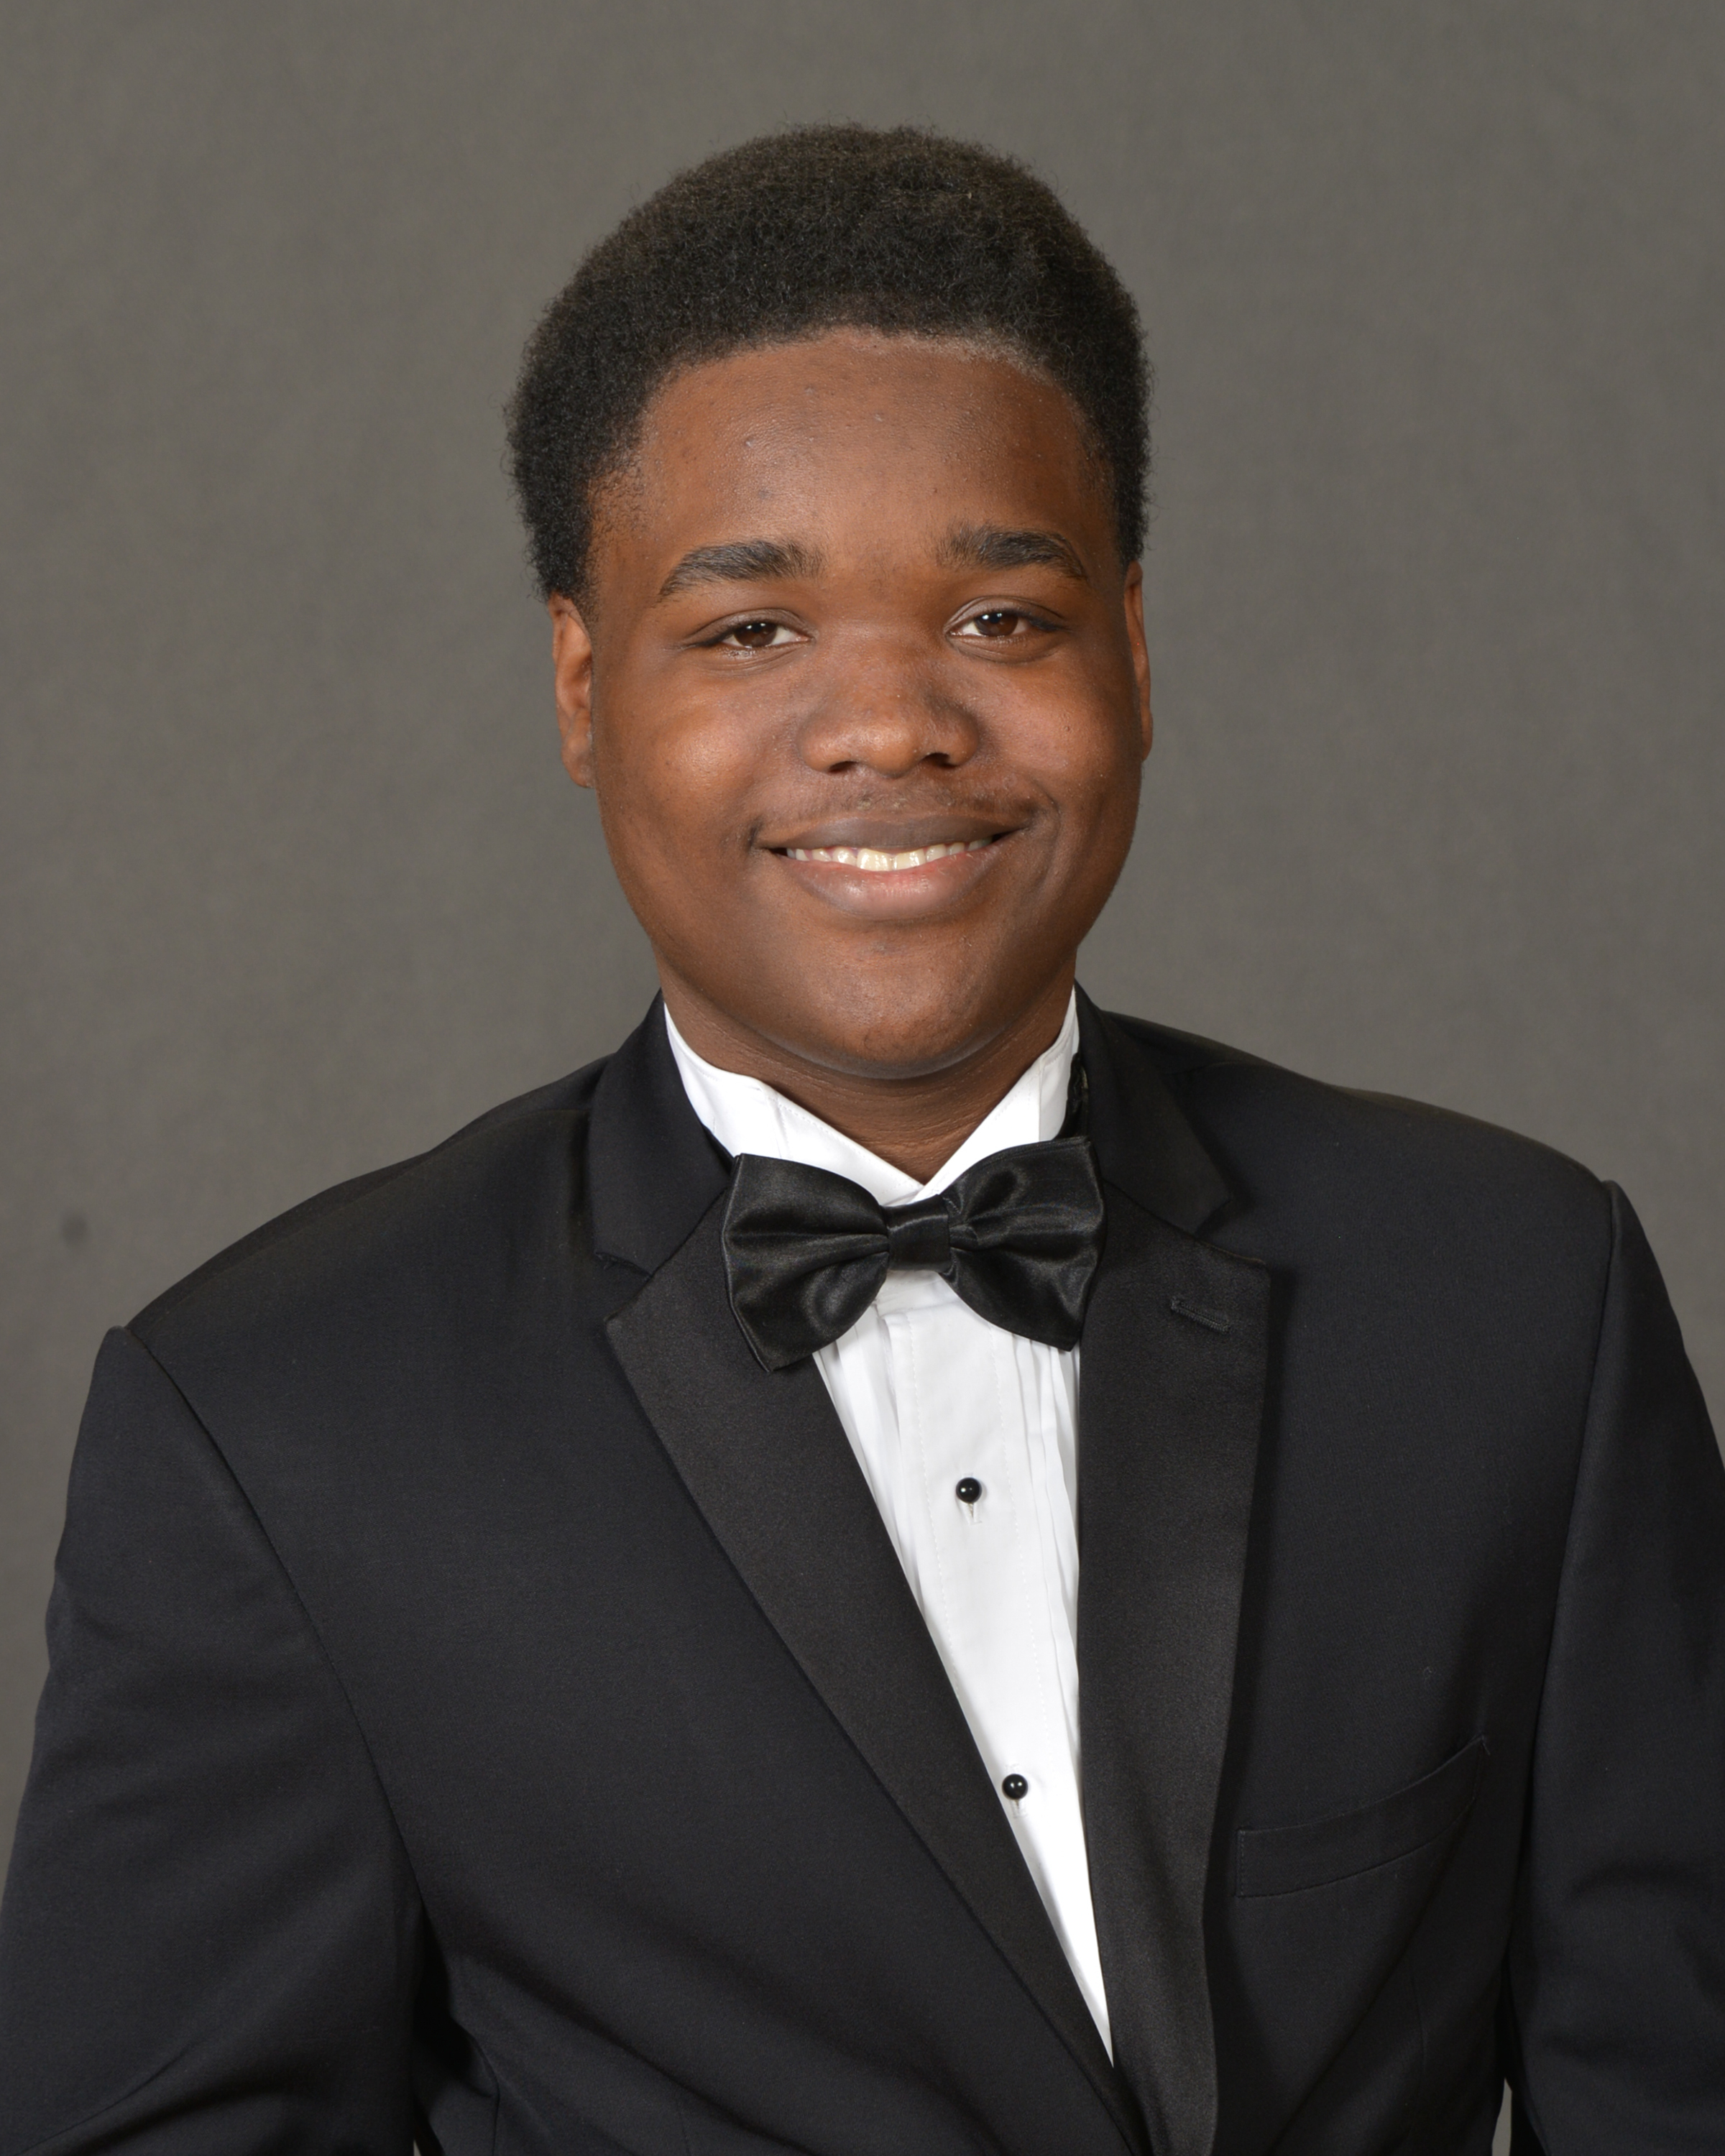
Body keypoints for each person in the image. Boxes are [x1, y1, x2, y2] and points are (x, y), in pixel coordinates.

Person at [1, 124, 1719, 2156]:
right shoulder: (279, 1424)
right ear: (582, 685)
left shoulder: (1516, 1298)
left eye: (1002, 619)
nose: (893, 722)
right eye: (752, 631)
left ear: (1136, 649)